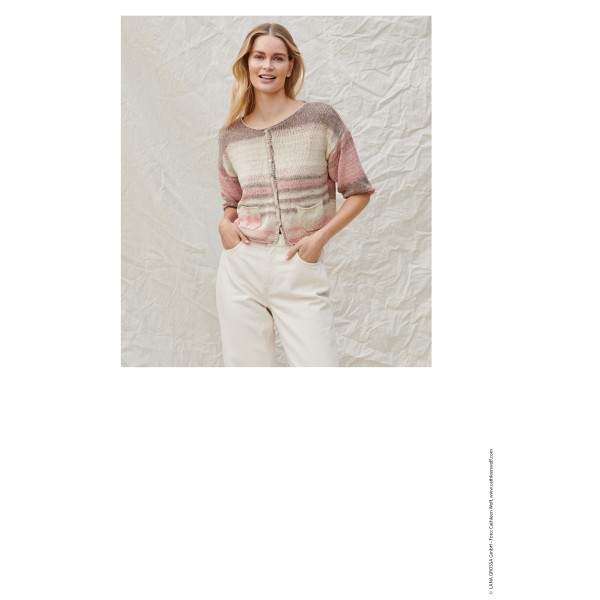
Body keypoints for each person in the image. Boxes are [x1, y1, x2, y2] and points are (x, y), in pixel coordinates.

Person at [216, 22, 375, 367]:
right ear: (247, 64)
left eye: (277, 58)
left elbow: (358, 191)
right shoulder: (231, 135)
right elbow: (231, 201)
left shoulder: (320, 119)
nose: (267, 66)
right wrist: (225, 224)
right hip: (241, 268)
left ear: (290, 67)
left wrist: (318, 240)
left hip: (298, 266)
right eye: (259, 57)